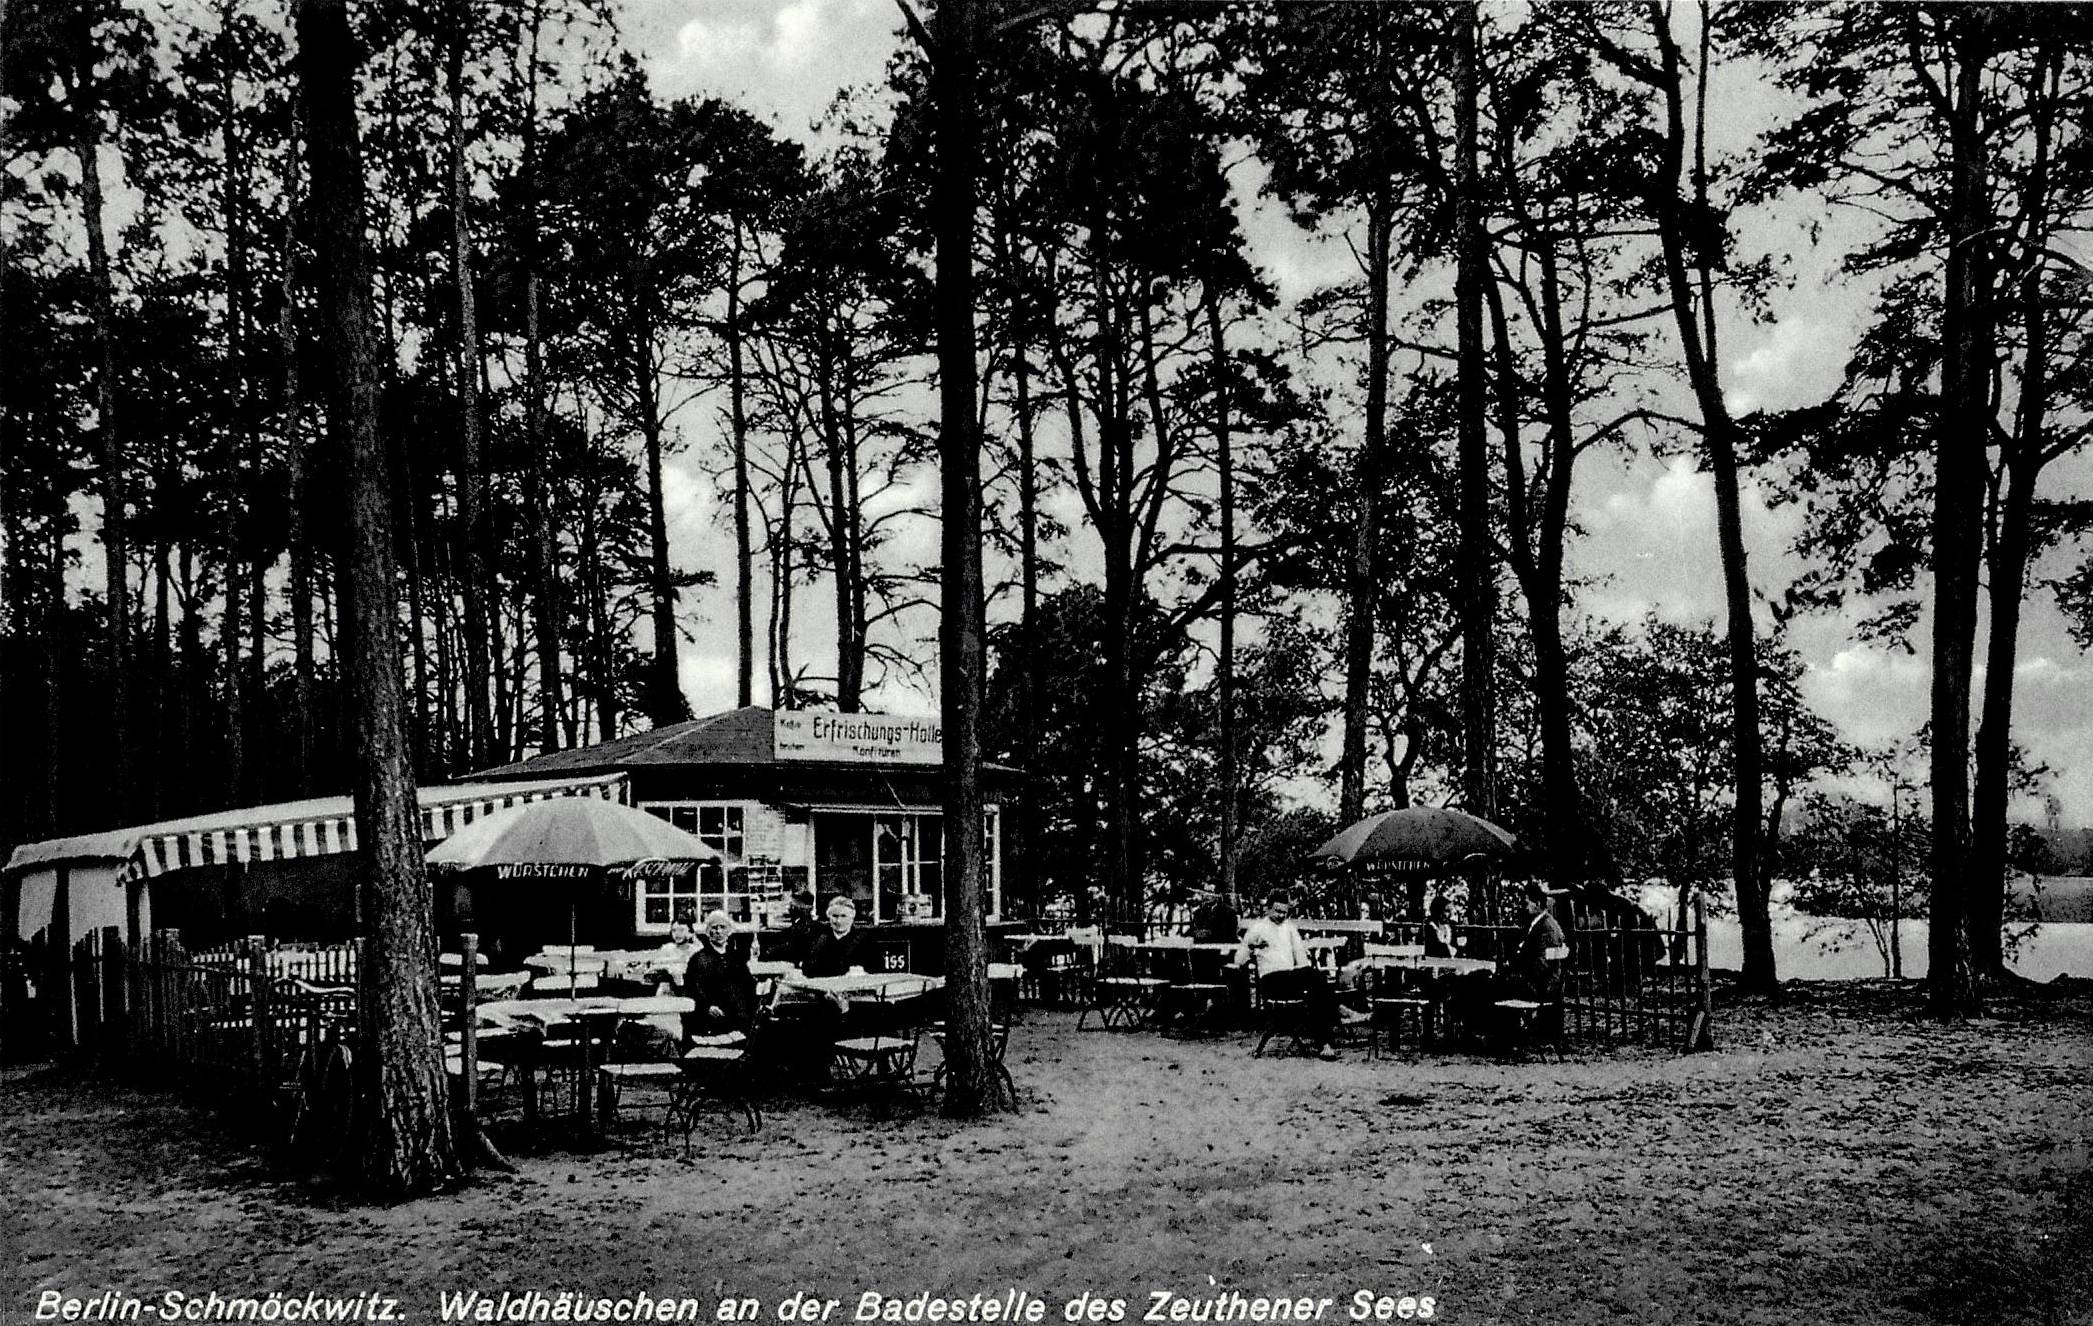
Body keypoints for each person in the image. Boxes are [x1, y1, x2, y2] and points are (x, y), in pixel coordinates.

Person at [1233, 894, 1344, 1060]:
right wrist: (1251, 947)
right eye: (1277, 911)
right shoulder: (1257, 928)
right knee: (1315, 979)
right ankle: (1339, 1011)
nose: (1281, 915)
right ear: (1267, 908)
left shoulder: (1290, 928)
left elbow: (1301, 959)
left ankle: (1324, 1044)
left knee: (1316, 989)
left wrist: (1306, 973)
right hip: (1271, 980)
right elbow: (1239, 959)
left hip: (1290, 979)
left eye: (1285, 912)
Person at [682, 910, 759, 1041]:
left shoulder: (736, 956)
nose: (718, 932)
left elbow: (747, 983)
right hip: (712, 1016)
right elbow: (693, 988)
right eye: (714, 928)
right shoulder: (699, 959)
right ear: (708, 932)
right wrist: (707, 1006)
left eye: (722, 927)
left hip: (738, 1014)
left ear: (728, 931)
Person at [802, 896, 875, 978]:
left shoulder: (865, 942)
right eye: (835, 916)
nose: (839, 921)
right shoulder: (818, 941)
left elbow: (878, 972)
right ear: (829, 916)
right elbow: (807, 970)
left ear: (852, 917)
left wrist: (863, 974)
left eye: (843, 916)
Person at [769, 890, 821, 967]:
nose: (789, 909)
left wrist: (770, 951)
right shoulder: (811, 925)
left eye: (792, 906)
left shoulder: (802, 928)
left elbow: (792, 947)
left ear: (803, 908)